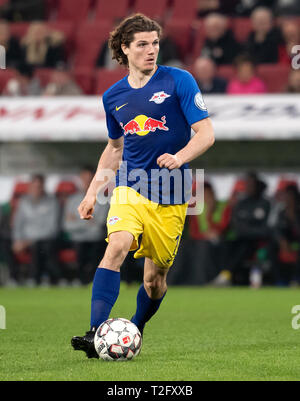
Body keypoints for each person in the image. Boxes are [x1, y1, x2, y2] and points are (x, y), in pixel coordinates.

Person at [71, 13, 215, 359]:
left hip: (173, 192)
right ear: (124, 49)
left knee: (154, 280)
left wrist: (179, 157)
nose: (152, 51)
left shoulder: (179, 80)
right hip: (131, 184)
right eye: (143, 45)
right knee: (117, 245)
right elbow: (115, 147)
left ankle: (135, 327)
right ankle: (96, 334)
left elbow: (207, 133)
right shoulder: (113, 96)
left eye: (155, 43)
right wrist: (93, 191)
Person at [62, 166, 109, 284]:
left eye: (90, 178)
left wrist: (77, 219)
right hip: (77, 238)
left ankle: (94, 282)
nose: (87, 182)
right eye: (84, 178)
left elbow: (100, 224)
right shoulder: (72, 200)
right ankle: (80, 281)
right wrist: (88, 221)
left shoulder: (103, 199)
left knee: (96, 250)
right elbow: (67, 225)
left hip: (96, 237)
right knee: (79, 250)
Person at [12, 174, 60, 285]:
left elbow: (52, 228)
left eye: (39, 186)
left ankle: (34, 279)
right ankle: (13, 278)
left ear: (43, 187)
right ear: (30, 187)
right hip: (24, 240)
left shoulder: (52, 202)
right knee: (4, 243)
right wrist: (17, 240)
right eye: (34, 186)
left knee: (39, 245)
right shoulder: (23, 202)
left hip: (44, 239)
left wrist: (29, 241)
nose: (36, 189)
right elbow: (18, 224)